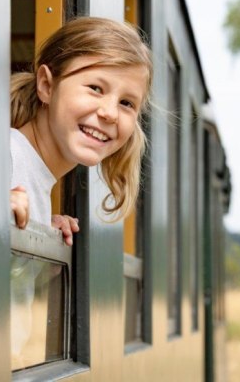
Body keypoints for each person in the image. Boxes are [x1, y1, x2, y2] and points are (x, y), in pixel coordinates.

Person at [8, 16, 153, 243]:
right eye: (95, 88)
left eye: (126, 103)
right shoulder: (5, 160)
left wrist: (42, 230)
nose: (111, 113)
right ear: (46, 85)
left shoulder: (32, 177)